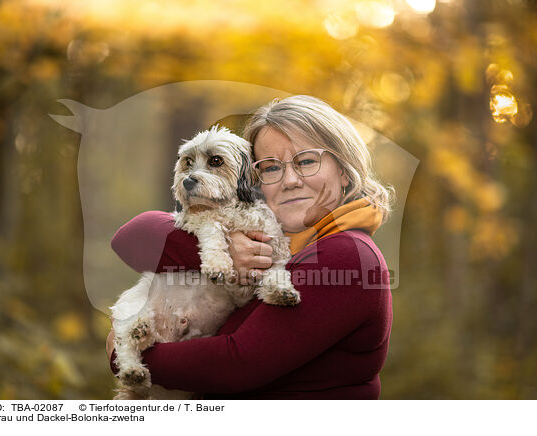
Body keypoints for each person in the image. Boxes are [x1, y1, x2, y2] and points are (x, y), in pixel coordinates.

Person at [106, 95, 394, 399]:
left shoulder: (346, 253)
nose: (290, 180)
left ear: (345, 171)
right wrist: (228, 252)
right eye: (271, 168)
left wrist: (125, 356)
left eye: (307, 161)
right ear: (252, 179)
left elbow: (237, 364)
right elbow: (131, 237)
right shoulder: (277, 238)